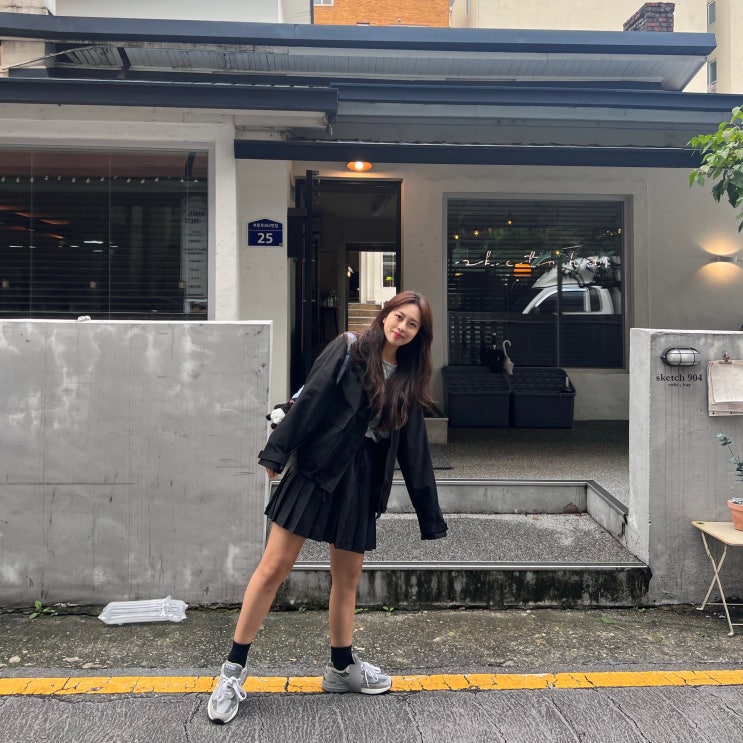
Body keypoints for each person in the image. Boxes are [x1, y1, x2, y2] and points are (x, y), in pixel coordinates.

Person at [207, 290, 448, 724]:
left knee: (347, 578)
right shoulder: (350, 349)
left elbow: (415, 450)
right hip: (315, 470)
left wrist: (429, 517)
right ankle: (231, 671)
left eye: (413, 324)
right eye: (399, 317)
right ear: (386, 314)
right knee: (273, 568)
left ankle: (340, 668)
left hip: (360, 483)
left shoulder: (409, 379)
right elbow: (312, 399)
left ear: (420, 335)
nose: (402, 327)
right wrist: (276, 453)